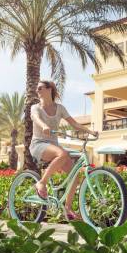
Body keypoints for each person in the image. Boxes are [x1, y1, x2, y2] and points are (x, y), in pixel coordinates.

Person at [30, 80, 97, 220]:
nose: (38, 91)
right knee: (62, 154)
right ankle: (41, 183)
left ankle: (67, 209)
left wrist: (90, 131)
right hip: (38, 144)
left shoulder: (60, 108)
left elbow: (74, 124)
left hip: (54, 145)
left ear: (49, 89)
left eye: (40, 88)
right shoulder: (35, 107)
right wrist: (44, 126)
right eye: (37, 89)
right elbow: (36, 119)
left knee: (75, 176)